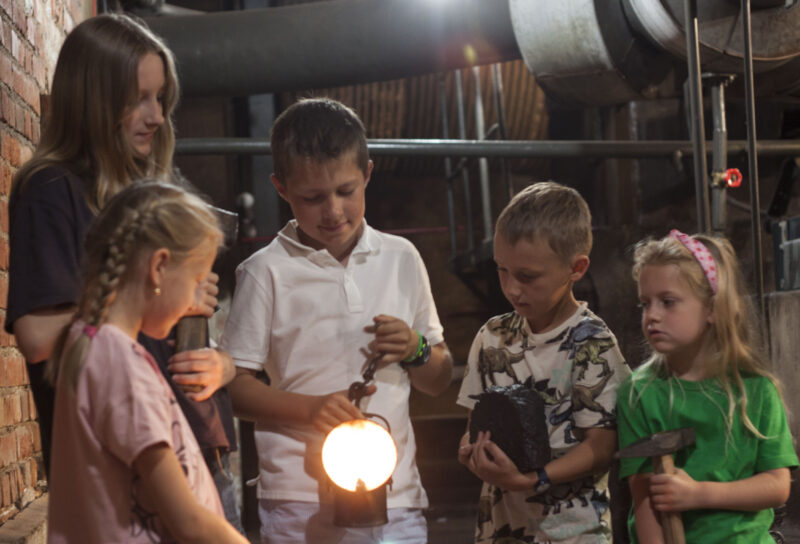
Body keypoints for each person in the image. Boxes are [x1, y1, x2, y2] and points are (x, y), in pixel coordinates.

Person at [5, 13, 243, 532]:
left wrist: (222, 364)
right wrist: (148, 294)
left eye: (161, 98)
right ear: (93, 100)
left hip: (195, 438)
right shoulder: (53, 190)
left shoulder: (143, 185)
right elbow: (37, 336)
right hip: (132, 470)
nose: (157, 116)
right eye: (139, 99)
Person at [221, 97, 454, 544]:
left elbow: (438, 378)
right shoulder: (264, 271)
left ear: (367, 173)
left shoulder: (402, 258)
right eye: (312, 198)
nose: (332, 211)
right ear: (281, 188)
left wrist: (416, 349)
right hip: (299, 498)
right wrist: (311, 409)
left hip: (396, 497)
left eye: (346, 191)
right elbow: (234, 388)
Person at [46, 182, 247, 543]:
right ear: (159, 266)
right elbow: (189, 522)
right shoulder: (119, 362)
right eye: (196, 279)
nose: (196, 297)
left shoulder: (90, 340)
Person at [456, 181, 631, 543]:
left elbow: (601, 448)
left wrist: (533, 479)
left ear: (576, 268)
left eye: (527, 276)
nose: (511, 288)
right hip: (501, 529)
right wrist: (470, 452)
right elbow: (475, 425)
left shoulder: (592, 343)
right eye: (502, 270)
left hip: (573, 534)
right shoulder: (492, 337)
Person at [617, 230, 799, 543]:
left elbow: (777, 485)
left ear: (712, 309)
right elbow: (644, 501)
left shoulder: (756, 391)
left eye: (668, 302)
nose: (652, 316)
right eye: (645, 304)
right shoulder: (640, 392)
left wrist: (699, 494)